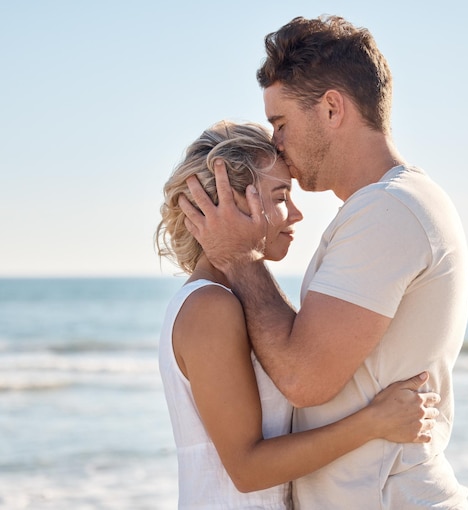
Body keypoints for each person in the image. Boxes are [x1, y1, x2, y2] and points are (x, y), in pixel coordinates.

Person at [179, 15, 468, 509]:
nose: (276, 143)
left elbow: (302, 379)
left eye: (281, 123)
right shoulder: (383, 207)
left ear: (332, 108)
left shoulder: (388, 210)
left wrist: (240, 258)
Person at [156, 120, 441, 509]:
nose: (296, 214)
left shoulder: (241, 300)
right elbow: (247, 469)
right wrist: (374, 423)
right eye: (280, 197)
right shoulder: (211, 307)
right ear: (232, 204)